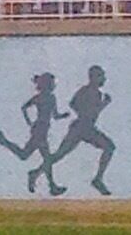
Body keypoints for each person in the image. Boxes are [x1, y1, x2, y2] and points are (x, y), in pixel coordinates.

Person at [0, 71, 64, 195]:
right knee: (47, 159)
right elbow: (24, 107)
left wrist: (63, 116)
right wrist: (29, 122)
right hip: (39, 130)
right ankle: (51, 185)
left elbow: (55, 115)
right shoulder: (41, 97)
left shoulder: (50, 98)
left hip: (42, 129)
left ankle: (2, 140)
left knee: (25, 155)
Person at [49, 65, 115, 195]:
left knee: (109, 147)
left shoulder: (97, 93)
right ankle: (37, 173)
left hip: (87, 128)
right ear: (94, 78)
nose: (104, 79)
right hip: (81, 128)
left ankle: (98, 179)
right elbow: (76, 105)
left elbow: (77, 105)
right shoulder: (88, 91)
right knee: (60, 154)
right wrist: (103, 104)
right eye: (101, 76)